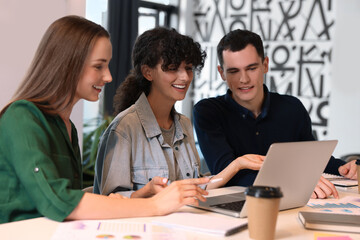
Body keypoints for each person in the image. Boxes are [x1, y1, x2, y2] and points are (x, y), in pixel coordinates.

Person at [0, 16, 210, 224]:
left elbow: (75, 199)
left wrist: (141, 194)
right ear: (68, 64)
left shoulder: (66, 127)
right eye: (99, 66)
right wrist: (155, 205)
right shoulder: (21, 117)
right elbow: (58, 199)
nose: (108, 76)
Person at [193, 29, 358, 199]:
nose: (243, 79)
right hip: (238, 204)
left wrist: (343, 167)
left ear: (265, 65)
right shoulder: (208, 112)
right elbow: (225, 172)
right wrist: (293, 182)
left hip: (290, 202)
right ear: (222, 73)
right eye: (234, 71)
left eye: (251, 68)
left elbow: (311, 159)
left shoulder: (292, 107)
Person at [94, 27, 252, 197]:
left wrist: (238, 164)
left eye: (189, 68)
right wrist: (148, 192)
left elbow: (196, 188)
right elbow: (110, 202)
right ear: (148, 72)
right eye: (172, 68)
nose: (184, 77)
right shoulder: (124, 129)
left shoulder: (184, 124)